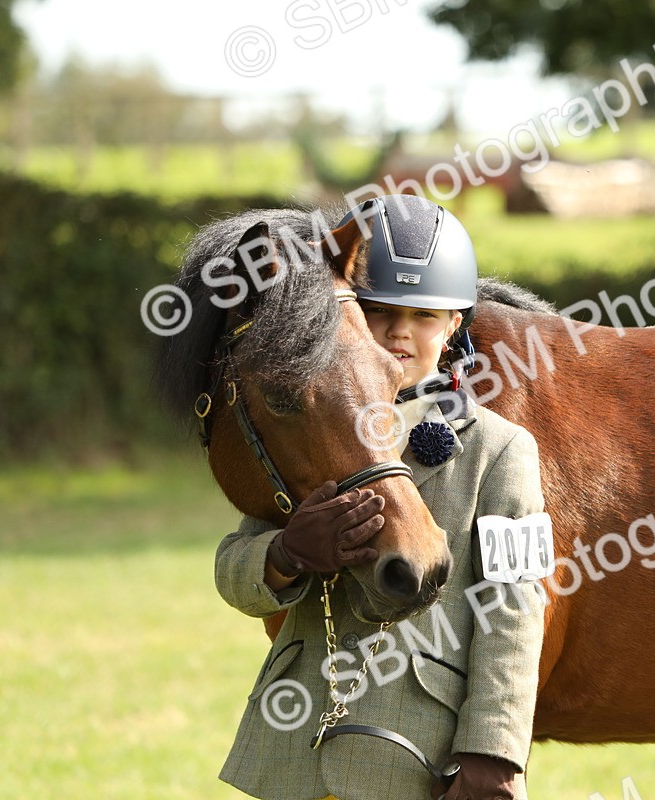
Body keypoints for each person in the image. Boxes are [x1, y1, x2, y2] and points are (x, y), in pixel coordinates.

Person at [214, 195, 548, 800]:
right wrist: (285, 553)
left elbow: (516, 607)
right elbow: (232, 572)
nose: (399, 330)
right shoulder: (314, 432)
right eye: (378, 310)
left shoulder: (502, 451)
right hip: (291, 752)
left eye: (424, 315)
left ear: (454, 328)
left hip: (416, 755)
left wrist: (495, 755)